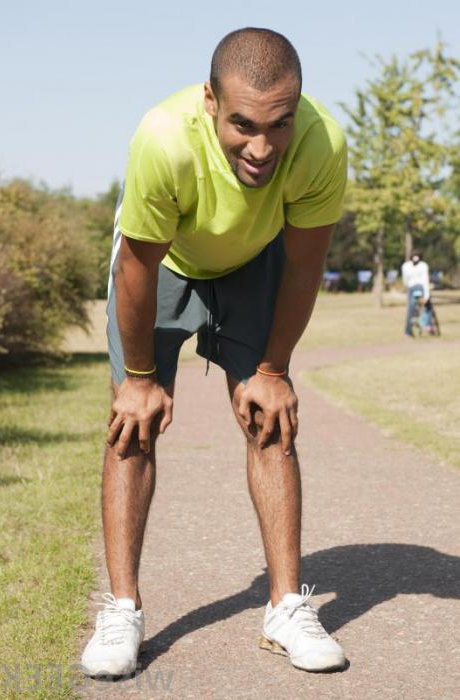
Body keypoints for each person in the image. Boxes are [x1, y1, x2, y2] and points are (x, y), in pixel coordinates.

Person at [81, 27, 348, 677]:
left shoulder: (320, 144)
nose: (261, 147)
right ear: (209, 101)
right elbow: (135, 267)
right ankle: (122, 608)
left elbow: (303, 266)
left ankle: (286, 606)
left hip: (254, 260)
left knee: (270, 415)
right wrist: (140, 379)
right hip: (163, 263)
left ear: (298, 109)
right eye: (243, 125)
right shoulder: (163, 138)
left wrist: (272, 370)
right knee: (131, 425)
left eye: (279, 124)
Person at [401, 251, 432, 336]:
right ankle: (428, 325)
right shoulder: (423, 265)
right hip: (420, 288)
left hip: (411, 288)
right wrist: (426, 296)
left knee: (411, 310)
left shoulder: (406, 266)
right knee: (428, 307)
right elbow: (425, 281)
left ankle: (408, 330)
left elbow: (405, 281)